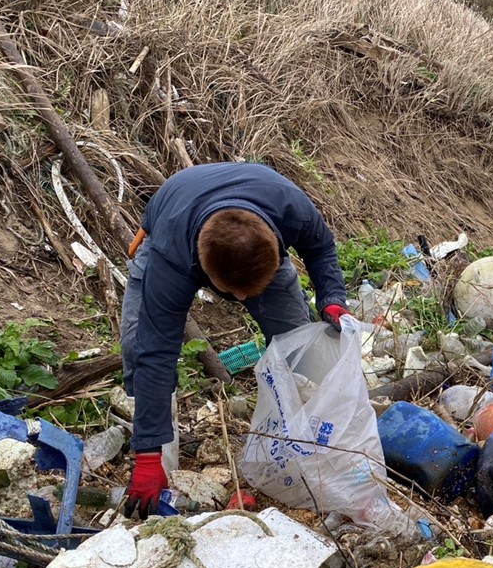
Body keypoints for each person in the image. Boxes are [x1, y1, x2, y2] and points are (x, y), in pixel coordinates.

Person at [119, 161, 350, 519]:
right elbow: (156, 351)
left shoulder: (293, 210)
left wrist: (332, 298)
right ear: (204, 269)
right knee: (137, 345)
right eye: (232, 292)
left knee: (299, 346)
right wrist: (147, 453)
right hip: (170, 226)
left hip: (257, 224)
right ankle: (161, 460)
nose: (241, 300)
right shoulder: (173, 258)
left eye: (250, 291)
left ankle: (313, 450)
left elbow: (321, 249)